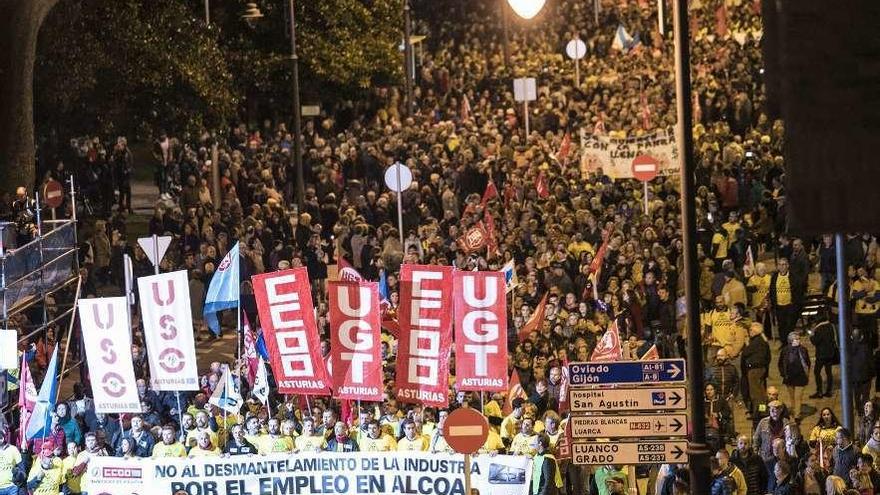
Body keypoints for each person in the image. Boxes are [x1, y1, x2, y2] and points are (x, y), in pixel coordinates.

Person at [777, 331, 811, 420]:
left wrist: (807, 373)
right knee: (792, 397)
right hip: (789, 377)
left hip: (801, 377)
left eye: (798, 339)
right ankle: (795, 410)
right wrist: (783, 374)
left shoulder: (803, 350)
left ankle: (797, 415)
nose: (797, 341)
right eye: (795, 339)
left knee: (798, 396)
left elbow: (807, 362)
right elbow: (780, 363)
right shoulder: (785, 350)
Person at [754, 400, 790, 477]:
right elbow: (756, 439)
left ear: (781, 410)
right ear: (769, 410)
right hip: (766, 457)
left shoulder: (786, 423)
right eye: (772, 410)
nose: (775, 412)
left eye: (777, 409)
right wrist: (756, 455)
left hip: (782, 458)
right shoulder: (763, 422)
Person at [741, 322, 771, 415]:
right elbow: (768, 357)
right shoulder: (763, 341)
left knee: (755, 393)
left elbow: (745, 353)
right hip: (761, 369)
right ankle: (762, 410)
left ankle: (758, 412)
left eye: (751, 330)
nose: (749, 332)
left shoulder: (756, 342)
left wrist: (746, 344)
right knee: (761, 392)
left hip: (754, 370)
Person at [809, 311, 837, 398]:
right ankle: (829, 391)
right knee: (828, 372)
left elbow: (815, 341)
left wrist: (811, 335)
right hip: (830, 353)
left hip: (821, 354)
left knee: (817, 372)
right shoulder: (830, 326)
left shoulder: (819, 328)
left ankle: (819, 391)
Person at [0, 427, 22, 495]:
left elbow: (21, 467)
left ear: (2, 438)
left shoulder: (13, 449)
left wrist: (18, 480)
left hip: (12, 487)